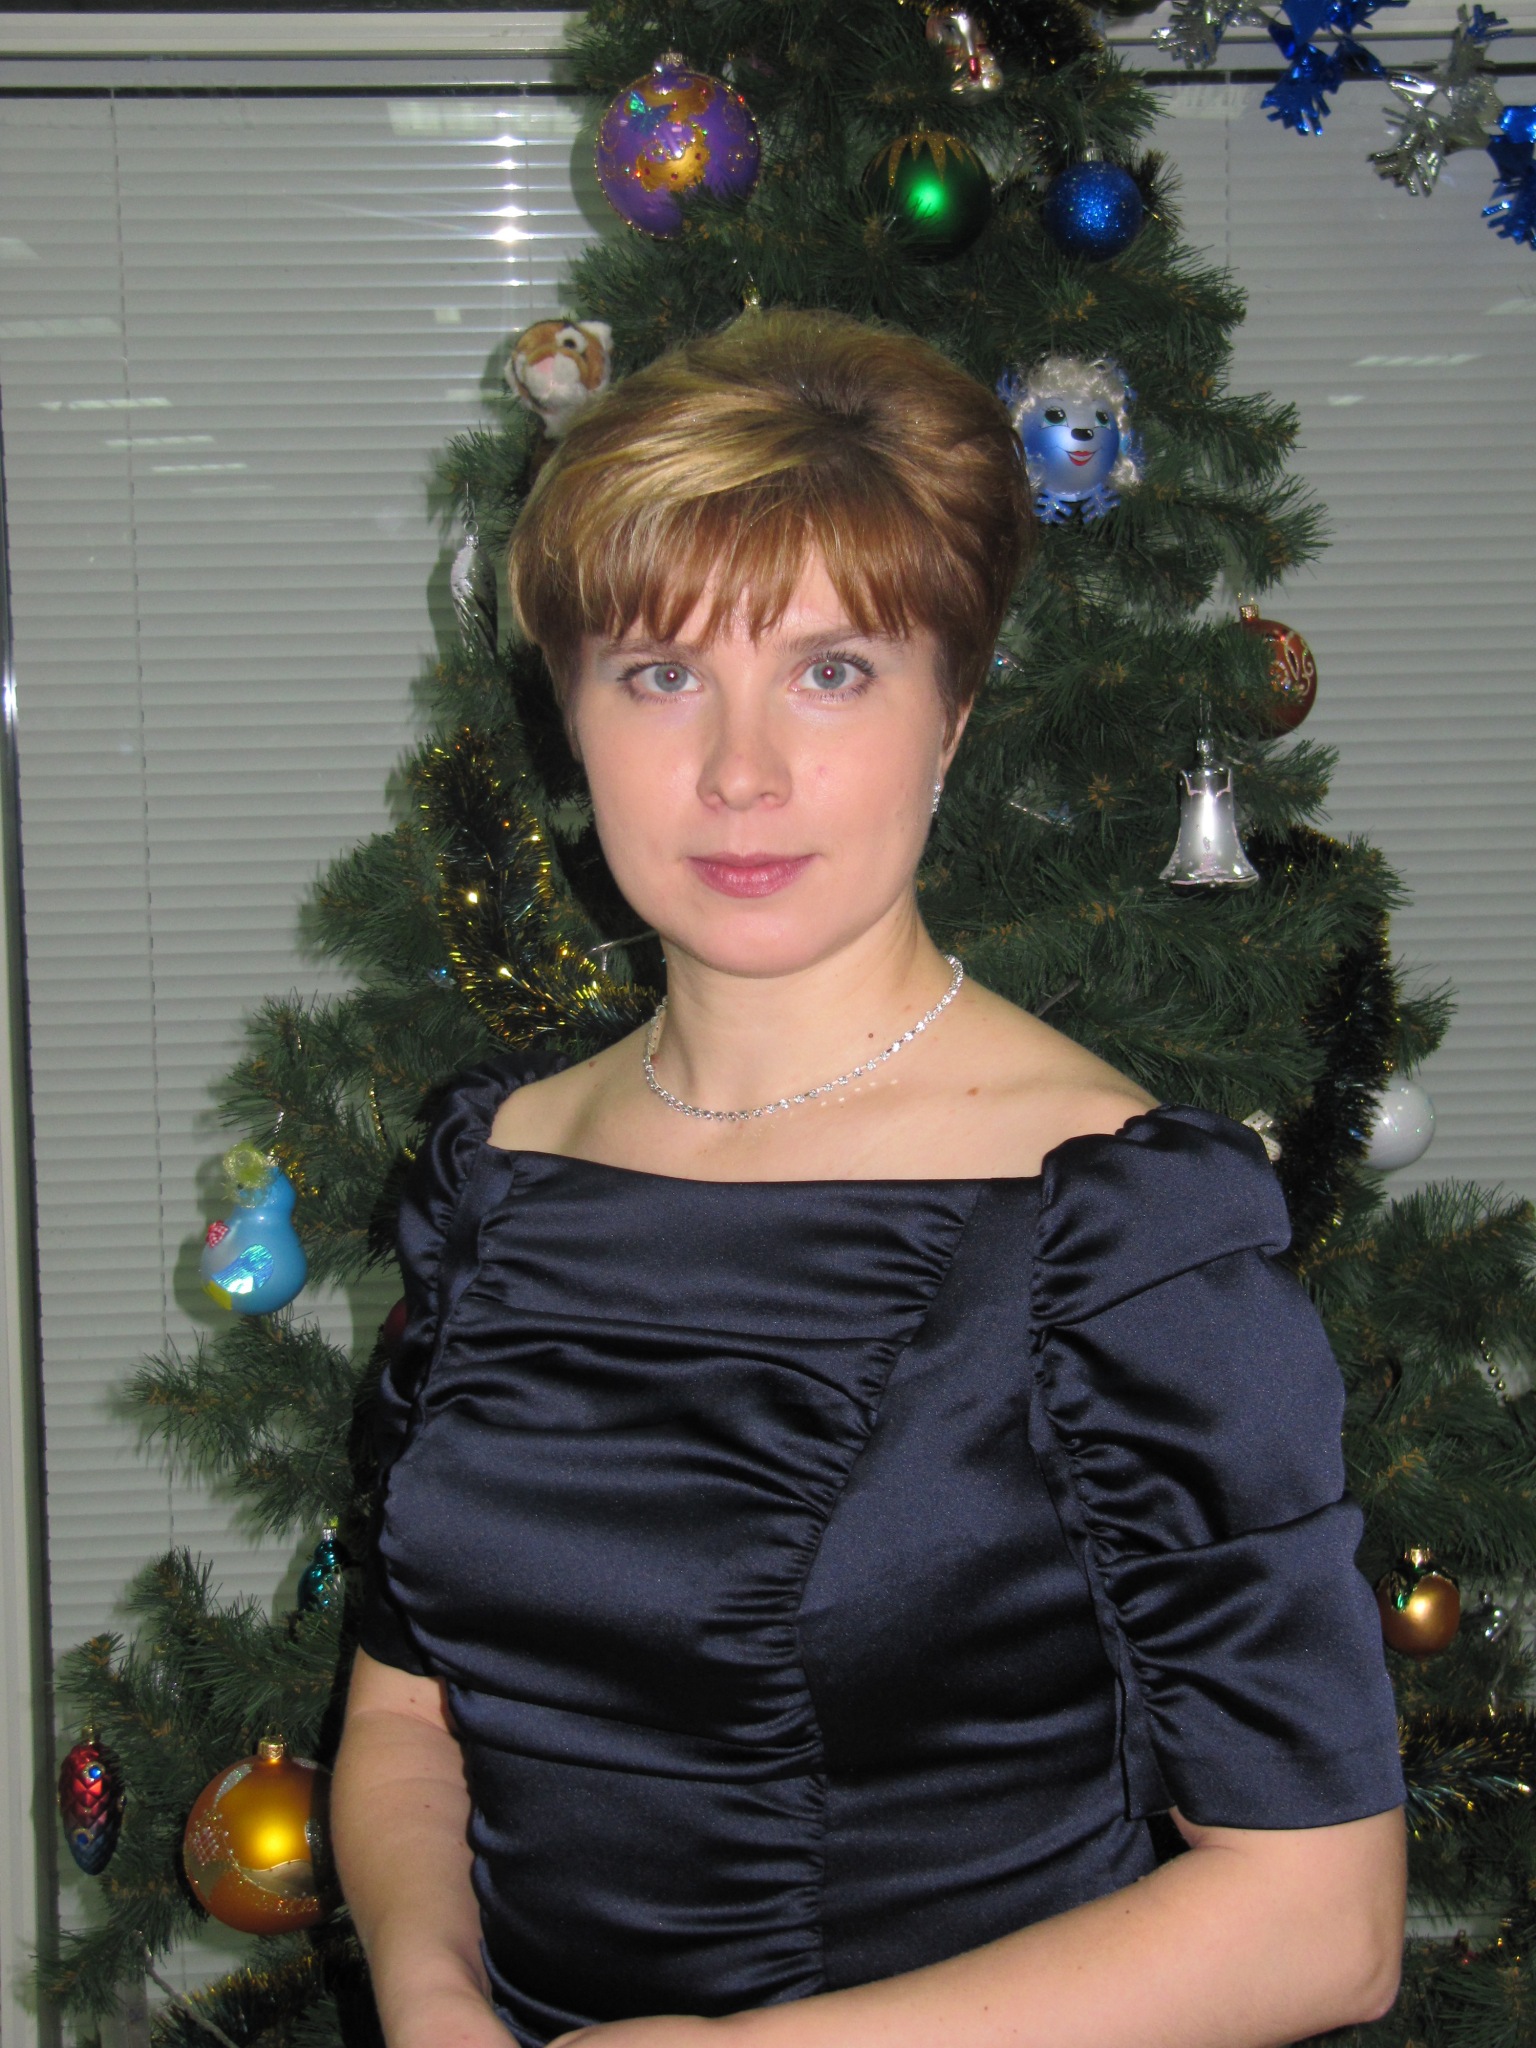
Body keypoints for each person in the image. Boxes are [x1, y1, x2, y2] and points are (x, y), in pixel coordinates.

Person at [331, 308, 1407, 2048]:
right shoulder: (499, 1175)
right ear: (570, 715)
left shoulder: (1116, 1227)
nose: (739, 772)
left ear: (953, 719)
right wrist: (435, 1998)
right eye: (660, 674)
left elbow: (1321, 1922)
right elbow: (405, 1718)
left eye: (832, 671)